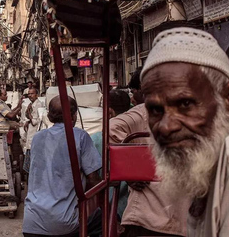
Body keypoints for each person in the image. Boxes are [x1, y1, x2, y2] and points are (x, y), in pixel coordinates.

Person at [138, 27, 229, 236]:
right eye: (155, 110)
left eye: (185, 104)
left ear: (226, 99)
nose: (166, 126)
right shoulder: (208, 173)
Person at [110, 66, 190, 237]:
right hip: (183, 214)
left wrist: (134, 168)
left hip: (148, 212)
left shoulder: (143, 111)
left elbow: (111, 128)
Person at [23, 96, 102, 236]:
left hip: (31, 221)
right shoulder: (80, 136)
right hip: (63, 224)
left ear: (49, 116)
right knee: (104, 217)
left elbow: (30, 171)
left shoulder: (37, 138)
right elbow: (93, 179)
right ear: (74, 115)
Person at [91, 89, 131, 220]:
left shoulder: (96, 140)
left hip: (107, 211)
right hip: (134, 209)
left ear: (109, 112)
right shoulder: (139, 136)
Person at [22, 88, 44, 173]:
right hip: (31, 133)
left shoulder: (38, 105)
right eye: (29, 94)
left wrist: (29, 114)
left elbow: (35, 121)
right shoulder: (31, 104)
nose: (30, 96)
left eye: (32, 94)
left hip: (34, 133)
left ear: (36, 95)